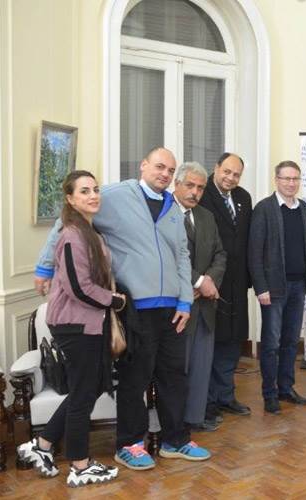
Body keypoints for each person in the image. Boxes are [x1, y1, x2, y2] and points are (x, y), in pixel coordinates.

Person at [34, 147, 209, 470]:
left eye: (170, 170)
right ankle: (129, 444)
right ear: (143, 166)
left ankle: (175, 440)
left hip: (172, 308)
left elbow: (182, 256)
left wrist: (185, 299)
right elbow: (66, 222)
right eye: (159, 167)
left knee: (174, 376)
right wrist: (45, 267)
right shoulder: (114, 196)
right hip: (134, 308)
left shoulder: (173, 207)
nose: (165, 174)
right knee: (134, 378)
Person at [18, 171, 123, 487]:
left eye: (95, 189)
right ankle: (80, 465)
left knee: (87, 389)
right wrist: (115, 300)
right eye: (84, 191)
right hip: (74, 325)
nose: (93, 195)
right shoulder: (72, 236)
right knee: (83, 394)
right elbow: (79, 288)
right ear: (70, 198)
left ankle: (43, 444)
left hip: (88, 323)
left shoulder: (89, 232)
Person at [248, 160, 306, 414]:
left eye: (295, 178)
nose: (291, 183)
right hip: (273, 288)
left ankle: (286, 388)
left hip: (298, 286)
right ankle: (269, 393)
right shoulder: (264, 208)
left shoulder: (303, 208)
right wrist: (260, 287)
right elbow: (254, 251)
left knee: (290, 341)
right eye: (286, 178)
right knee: (271, 343)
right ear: (276, 180)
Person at [172, 162, 227, 433]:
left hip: (204, 305)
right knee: (176, 368)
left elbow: (220, 254)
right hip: (175, 306)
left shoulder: (206, 216)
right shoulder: (163, 214)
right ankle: (174, 421)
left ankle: (195, 417)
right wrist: (197, 281)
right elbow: (168, 257)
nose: (195, 192)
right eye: (190, 185)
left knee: (201, 366)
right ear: (176, 184)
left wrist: (209, 281)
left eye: (201, 188)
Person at [199, 152, 253, 420]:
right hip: (210, 282)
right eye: (227, 172)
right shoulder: (202, 194)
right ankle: (207, 401)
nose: (231, 178)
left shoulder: (243, 198)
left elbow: (247, 240)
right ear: (216, 167)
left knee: (233, 340)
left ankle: (226, 395)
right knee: (211, 342)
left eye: (236, 174)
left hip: (237, 282)